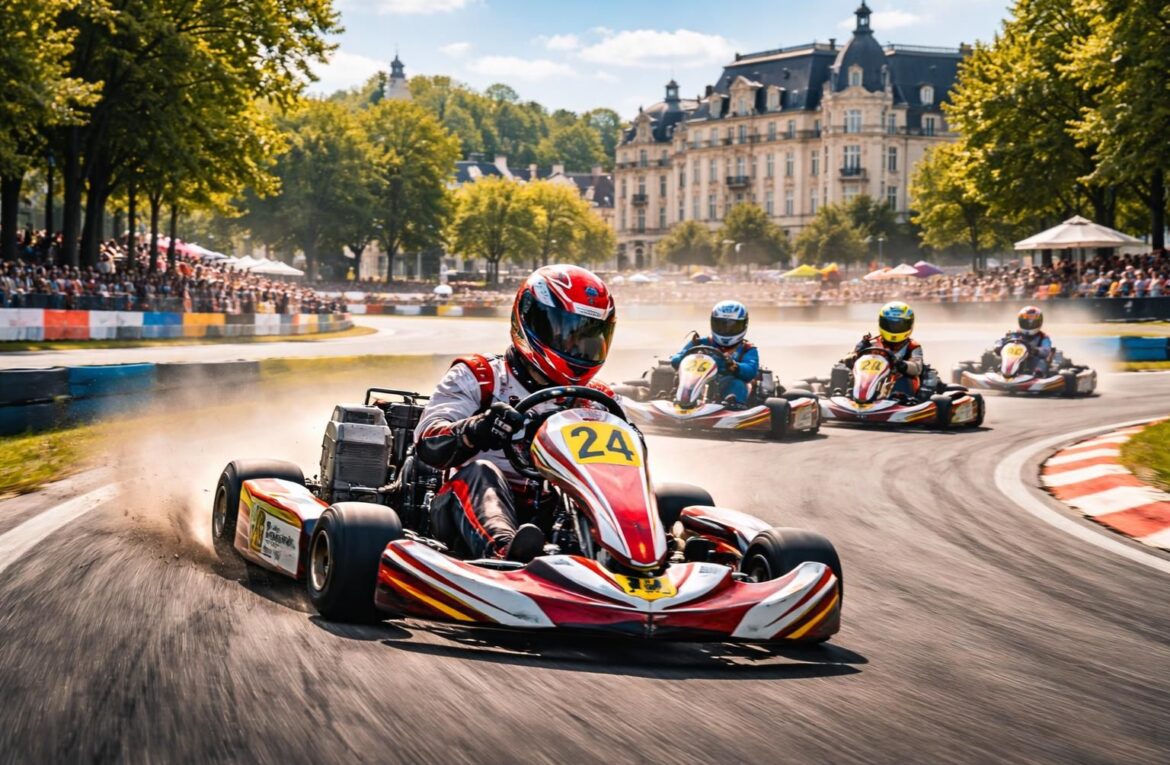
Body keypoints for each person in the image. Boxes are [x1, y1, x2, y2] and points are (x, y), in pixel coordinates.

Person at [413, 264, 616, 563]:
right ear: (530, 320)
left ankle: (639, 555)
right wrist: (476, 428)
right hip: (463, 509)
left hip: (553, 512)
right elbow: (427, 443)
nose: (578, 347)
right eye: (567, 333)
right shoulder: (480, 376)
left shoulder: (598, 399)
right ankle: (505, 552)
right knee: (482, 471)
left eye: (588, 337)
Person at [670, 300, 759, 405]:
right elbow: (679, 356)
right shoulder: (700, 342)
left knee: (738, 384)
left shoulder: (747, 349)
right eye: (721, 325)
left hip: (726, 384)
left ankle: (733, 405)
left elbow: (750, 371)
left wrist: (734, 365)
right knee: (672, 375)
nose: (726, 329)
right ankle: (677, 399)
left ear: (744, 325)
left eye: (732, 326)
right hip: (696, 379)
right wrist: (680, 358)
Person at [845, 301, 924, 399]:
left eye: (899, 325)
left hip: (897, 387)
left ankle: (901, 400)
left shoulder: (912, 346)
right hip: (868, 378)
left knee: (904, 378)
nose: (894, 328)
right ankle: (853, 395)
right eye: (889, 324)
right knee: (847, 371)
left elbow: (917, 368)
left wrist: (900, 364)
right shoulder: (870, 342)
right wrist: (854, 356)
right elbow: (847, 359)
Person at [994, 305, 1054, 375]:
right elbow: (1000, 341)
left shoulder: (1043, 337)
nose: (1029, 323)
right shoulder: (1014, 334)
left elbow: (1046, 350)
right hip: (1012, 359)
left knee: (1042, 361)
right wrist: (998, 346)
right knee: (993, 356)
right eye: (1027, 321)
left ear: (1039, 322)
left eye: (1032, 321)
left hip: (1032, 363)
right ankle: (1001, 371)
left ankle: (1038, 375)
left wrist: (1035, 350)